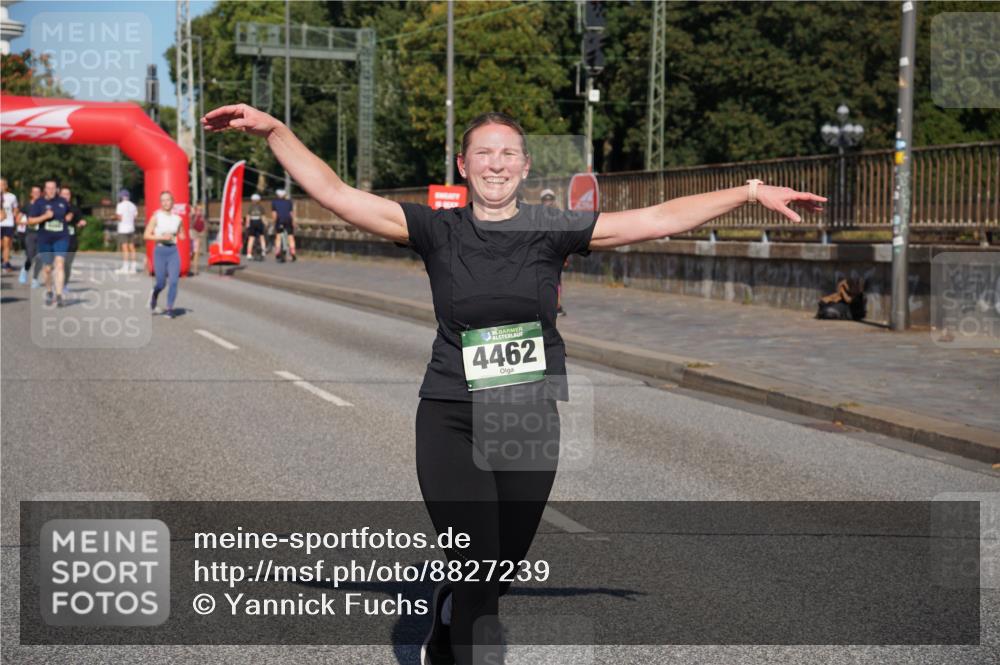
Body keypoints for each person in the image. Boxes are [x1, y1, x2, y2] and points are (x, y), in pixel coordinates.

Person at [203, 103, 825, 665]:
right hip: (450, 412)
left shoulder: (552, 231)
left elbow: (658, 217)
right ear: (463, 165)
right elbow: (337, 193)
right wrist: (277, 132)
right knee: (477, 561)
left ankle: (445, 621)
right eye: (483, 153)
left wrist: (746, 191)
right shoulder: (435, 231)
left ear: (524, 167)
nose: (495, 164)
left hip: (527, 415)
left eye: (507, 154)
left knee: (496, 567)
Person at [26, 179, 70, 307]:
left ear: (57, 189)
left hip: (61, 237)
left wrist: (71, 216)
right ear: (45, 189)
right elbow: (31, 221)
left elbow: (70, 211)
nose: (50, 190)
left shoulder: (62, 202)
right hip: (44, 239)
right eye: (48, 188)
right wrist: (45, 217)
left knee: (60, 264)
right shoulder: (39, 203)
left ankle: (59, 295)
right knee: (47, 268)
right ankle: (50, 291)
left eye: (53, 188)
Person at [143, 191, 186, 319]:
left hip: (173, 251)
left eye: (168, 200)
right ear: (161, 203)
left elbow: (182, 233)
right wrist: (161, 237)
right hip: (160, 252)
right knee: (161, 283)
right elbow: (146, 235)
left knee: (173, 281)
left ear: (172, 202)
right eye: (163, 200)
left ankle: (169, 309)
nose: (166, 202)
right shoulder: (156, 217)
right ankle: (154, 296)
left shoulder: (178, 219)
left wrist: (182, 235)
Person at [539, 188, 569, 316]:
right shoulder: (537, 216)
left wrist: (565, 256)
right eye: (546, 199)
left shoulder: (558, 216)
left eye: (550, 199)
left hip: (556, 253)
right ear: (542, 201)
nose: (548, 202)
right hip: (542, 253)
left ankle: (556, 306)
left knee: (556, 281)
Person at [60, 186, 86, 295]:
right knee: (59, 262)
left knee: (67, 264)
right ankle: (58, 283)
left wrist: (81, 223)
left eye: (68, 194)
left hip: (71, 239)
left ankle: (64, 284)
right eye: (64, 194)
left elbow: (80, 220)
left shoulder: (74, 208)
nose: (66, 196)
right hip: (58, 239)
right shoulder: (55, 207)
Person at [115, 189, 139, 274]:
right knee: (132, 247)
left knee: (125, 248)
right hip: (131, 228)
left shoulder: (120, 205)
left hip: (123, 228)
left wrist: (115, 217)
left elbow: (119, 217)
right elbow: (135, 217)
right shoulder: (133, 205)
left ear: (121, 197)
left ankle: (125, 267)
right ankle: (133, 268)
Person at [271, 188, 296, 262]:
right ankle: (293, 253)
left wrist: (274, 222)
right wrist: (293, 222)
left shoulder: (274, 202)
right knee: (290, 237)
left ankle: (277, 252)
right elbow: (291, 213)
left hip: (279, 220)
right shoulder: (289, 202)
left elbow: (274, 214)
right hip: (288, 220)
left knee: (278, 236)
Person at [1, 177, 18, 272]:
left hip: (8, 223)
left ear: (6, 186)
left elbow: (15, 208)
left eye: (2, 184)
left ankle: (5, 263)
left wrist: (15, 215)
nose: (1, 187)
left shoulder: (12, 197)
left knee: (6, 244)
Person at [244, 193, 267, 260]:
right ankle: (263, 252)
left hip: (252, 222)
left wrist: (247, 224)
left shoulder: (250, 207)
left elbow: (248, 216)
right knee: (262, 237)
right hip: (259, 222)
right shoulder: (261, 207)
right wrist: (265, 223)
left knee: (251, 238)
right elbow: (263, 217)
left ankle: (249, 253)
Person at [190, 203, 206, 275]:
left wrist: (203, 231)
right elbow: (191, 224)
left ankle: (195, 269)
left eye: (201, 210)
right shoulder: (193, 216)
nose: (199, 211)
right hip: (192, 234)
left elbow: (204, 226)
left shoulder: (202, 217)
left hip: (198, 236)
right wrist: (194, 215)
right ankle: (190, 266)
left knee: (196, 252)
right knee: (192, 253)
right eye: (198, 209)